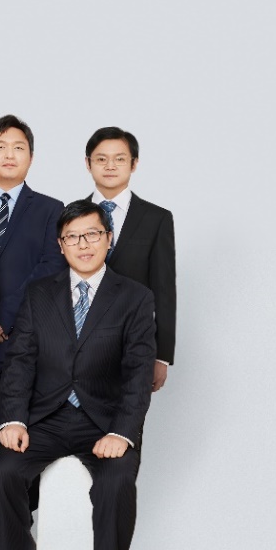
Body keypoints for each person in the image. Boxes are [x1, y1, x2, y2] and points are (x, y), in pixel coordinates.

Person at [0, 199, 156, 550]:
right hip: (48, 416)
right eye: (72, 237)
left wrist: (122, 432)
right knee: (1, 472)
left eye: (92, 234)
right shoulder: (39, 293)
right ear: (61, 245)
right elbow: (20, 362)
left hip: (105, 422)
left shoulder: (135, 297)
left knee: (115, 485)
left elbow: (138, 375)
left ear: (108, 239)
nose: (83, 244)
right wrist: (13, 418)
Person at [0, 115, 66, 550]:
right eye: (0, 147)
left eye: (18, 147)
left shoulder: (51, 210)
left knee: (23, 429)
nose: (9, 154)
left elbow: (50, 268)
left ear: (31, 157)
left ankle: (18, 514)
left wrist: (2, 317)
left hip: (26, 340)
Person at [84, 127, 175, 391]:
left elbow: (164, 291)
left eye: (120, 159)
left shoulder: (156, 219)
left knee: (129, 416)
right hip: (79, 344)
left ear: (134, 164)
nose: (110, 166)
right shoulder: (70, 215)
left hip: (134, 344)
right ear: (88, 163)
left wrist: (162, 356)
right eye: (101, 159)